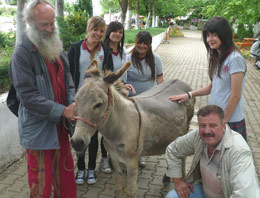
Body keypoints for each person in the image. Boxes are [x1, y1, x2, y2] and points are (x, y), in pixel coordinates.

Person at [8, 0, 77, 197]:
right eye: (43, 25)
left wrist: (72, 104)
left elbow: (69, 82)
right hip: (39, 134)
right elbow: (28, 97)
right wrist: (62, 110)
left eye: (52, 23)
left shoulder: (57, 49)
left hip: (61, 130)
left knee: (65, 183)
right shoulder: (22, 54)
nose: (49, 29)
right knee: (41, 187)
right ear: (29, 21)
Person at [169, 16, 247, 141]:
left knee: (228, 159)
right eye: (208, 35)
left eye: (214, 35)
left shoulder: (235, 59)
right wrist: (188, 95)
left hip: (229, 121)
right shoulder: (219, 56)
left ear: (224, 34)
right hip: (216, 119)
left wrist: (223, 123)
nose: (210, 39)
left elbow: (236, 96)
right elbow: (212, 87)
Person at [166, 105, 260, 198]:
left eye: (213, 125)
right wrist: (177, 181)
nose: (207, 131)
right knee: (172, 196)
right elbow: (173, 150)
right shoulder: (198, 136)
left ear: (223, 126)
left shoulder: (239, 151)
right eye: (202, 126)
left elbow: (246, 195)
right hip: (205, 191)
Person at [68, 16, 113, 185]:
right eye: (95, 29)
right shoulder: (75, 48)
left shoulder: (105, 51)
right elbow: (69, 76)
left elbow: (109, 76)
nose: (98, 33)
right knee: (78, 135)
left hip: (95, 101)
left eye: (102, 31)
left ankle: (92, 168)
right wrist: (70, 100)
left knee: (93, 136)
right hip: (79, 100)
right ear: (88, 29)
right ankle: (80, 169)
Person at [126, 31, 164, 166]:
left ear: (149, 45)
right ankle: (128, 154)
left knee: (145, 130)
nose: (142, 46)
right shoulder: (127, 58)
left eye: (145, 43)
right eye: (139, 43)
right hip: (132, 102)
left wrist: (161, 94)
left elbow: (160, 78)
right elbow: (123, 80)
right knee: (131, 130)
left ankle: (140, 154)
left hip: (149, 101)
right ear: (135, 43)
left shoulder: (156, 59)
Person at [103, 21, 135, 93]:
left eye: (120, 32)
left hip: (122, 90)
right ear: (109, 32)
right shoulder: (102, 52)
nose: (117, 34)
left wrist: (125, 85)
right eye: (114, 31)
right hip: (109, 92)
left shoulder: (123, 50)